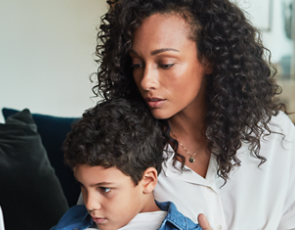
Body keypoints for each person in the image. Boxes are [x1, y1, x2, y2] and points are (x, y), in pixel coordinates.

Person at [92, 0, 295, 229]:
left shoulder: (276, 136)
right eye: (137, 64)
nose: (146, 80)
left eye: (166, 63)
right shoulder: (121, 145)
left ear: (209, 59)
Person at [51, 98, 202, 230]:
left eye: (105, 189)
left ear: (148, 180)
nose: (90, 205)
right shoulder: (73, 219)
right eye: (83, 186)